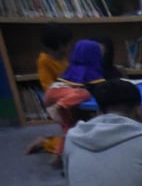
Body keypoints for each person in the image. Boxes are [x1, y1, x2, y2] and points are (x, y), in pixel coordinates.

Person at [41, 38, 105, 167]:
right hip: (58, 97)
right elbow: (95, 86)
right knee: (84, 94)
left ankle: (57, 156)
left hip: (55, 93)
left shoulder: (74, 67)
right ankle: (61, 106)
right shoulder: (86, 68)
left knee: (70, 129)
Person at [24, 23, 72, 157]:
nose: (70, 47)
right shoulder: (44, 61)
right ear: (60, 45)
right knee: (73, 138)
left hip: (69, 98)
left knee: (75, 131)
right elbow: (48, 87)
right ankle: (46, 143)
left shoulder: (63, 58)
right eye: (68, 44)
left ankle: (52, 140)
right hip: (58, 104)